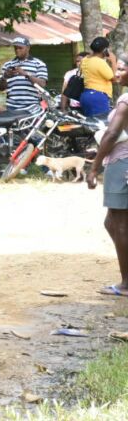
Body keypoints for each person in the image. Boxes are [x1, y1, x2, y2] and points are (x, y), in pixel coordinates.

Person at [87, 59, 128, 297]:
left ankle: (126, 284)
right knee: (112, 222)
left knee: (118, 223)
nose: (117, 73)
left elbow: (112, 133)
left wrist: (94, 167)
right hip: (121, 159)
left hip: (121, 165)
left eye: (122, 68)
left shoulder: (124, 101)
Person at [0, 36, 48, 112]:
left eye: (20, 48)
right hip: (12, 108)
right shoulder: (7, 65)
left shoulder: (39, 64)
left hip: (32, 108)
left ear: (28, 48)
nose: (17, 50)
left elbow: (42, 84)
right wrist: (5, 77)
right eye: (15, 48)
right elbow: (1, 88)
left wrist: (26, 74)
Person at [79, 37, 116, 117]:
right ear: (105, 50)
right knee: (101, 125)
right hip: (98, 96)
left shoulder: (85, 59)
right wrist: (113, 61)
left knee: (91, 125)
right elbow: (114, 79)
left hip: (86, 95)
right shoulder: (99, 62)